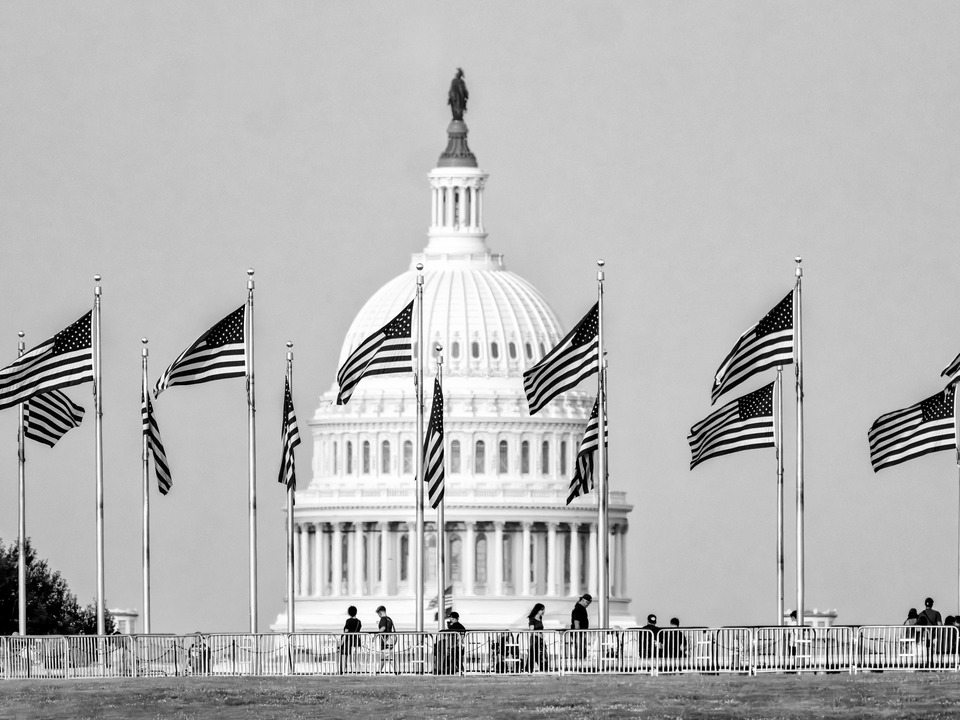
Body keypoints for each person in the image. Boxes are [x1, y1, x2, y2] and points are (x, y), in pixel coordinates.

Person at [526, 603, 549, 672]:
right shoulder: (532, 619)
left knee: (541, 654)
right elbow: (531, 630)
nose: (543, 611)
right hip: (534, 640)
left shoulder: (540, 618)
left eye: (544, 610)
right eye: (542, 610)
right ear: (537, 610)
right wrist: (538, 635)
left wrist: (542, 637)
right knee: (533, 654)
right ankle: (529, 669)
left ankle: (543, 668)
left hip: (540, 640)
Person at [340, 606, 362, 674]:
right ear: (356, 612)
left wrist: (341, 641)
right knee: (356, 657)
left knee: (345, 657)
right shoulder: (359, 621)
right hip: (356, 641)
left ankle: (344, 670)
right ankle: (358, 671)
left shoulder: (348, 621)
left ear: (349, 613)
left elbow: (346, 631)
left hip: (348, 641)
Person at [570, 593, 591, 660]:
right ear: (582, 600)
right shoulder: (579, 608)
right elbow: (576, 623)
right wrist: (578, 634)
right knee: (580, 649)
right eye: (587, 602)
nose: (587, 604)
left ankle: (580, 662)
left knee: (581, 649)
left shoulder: (580, 608)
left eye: (589, 603)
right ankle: (579, 664)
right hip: (578, 633)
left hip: (580, 632)